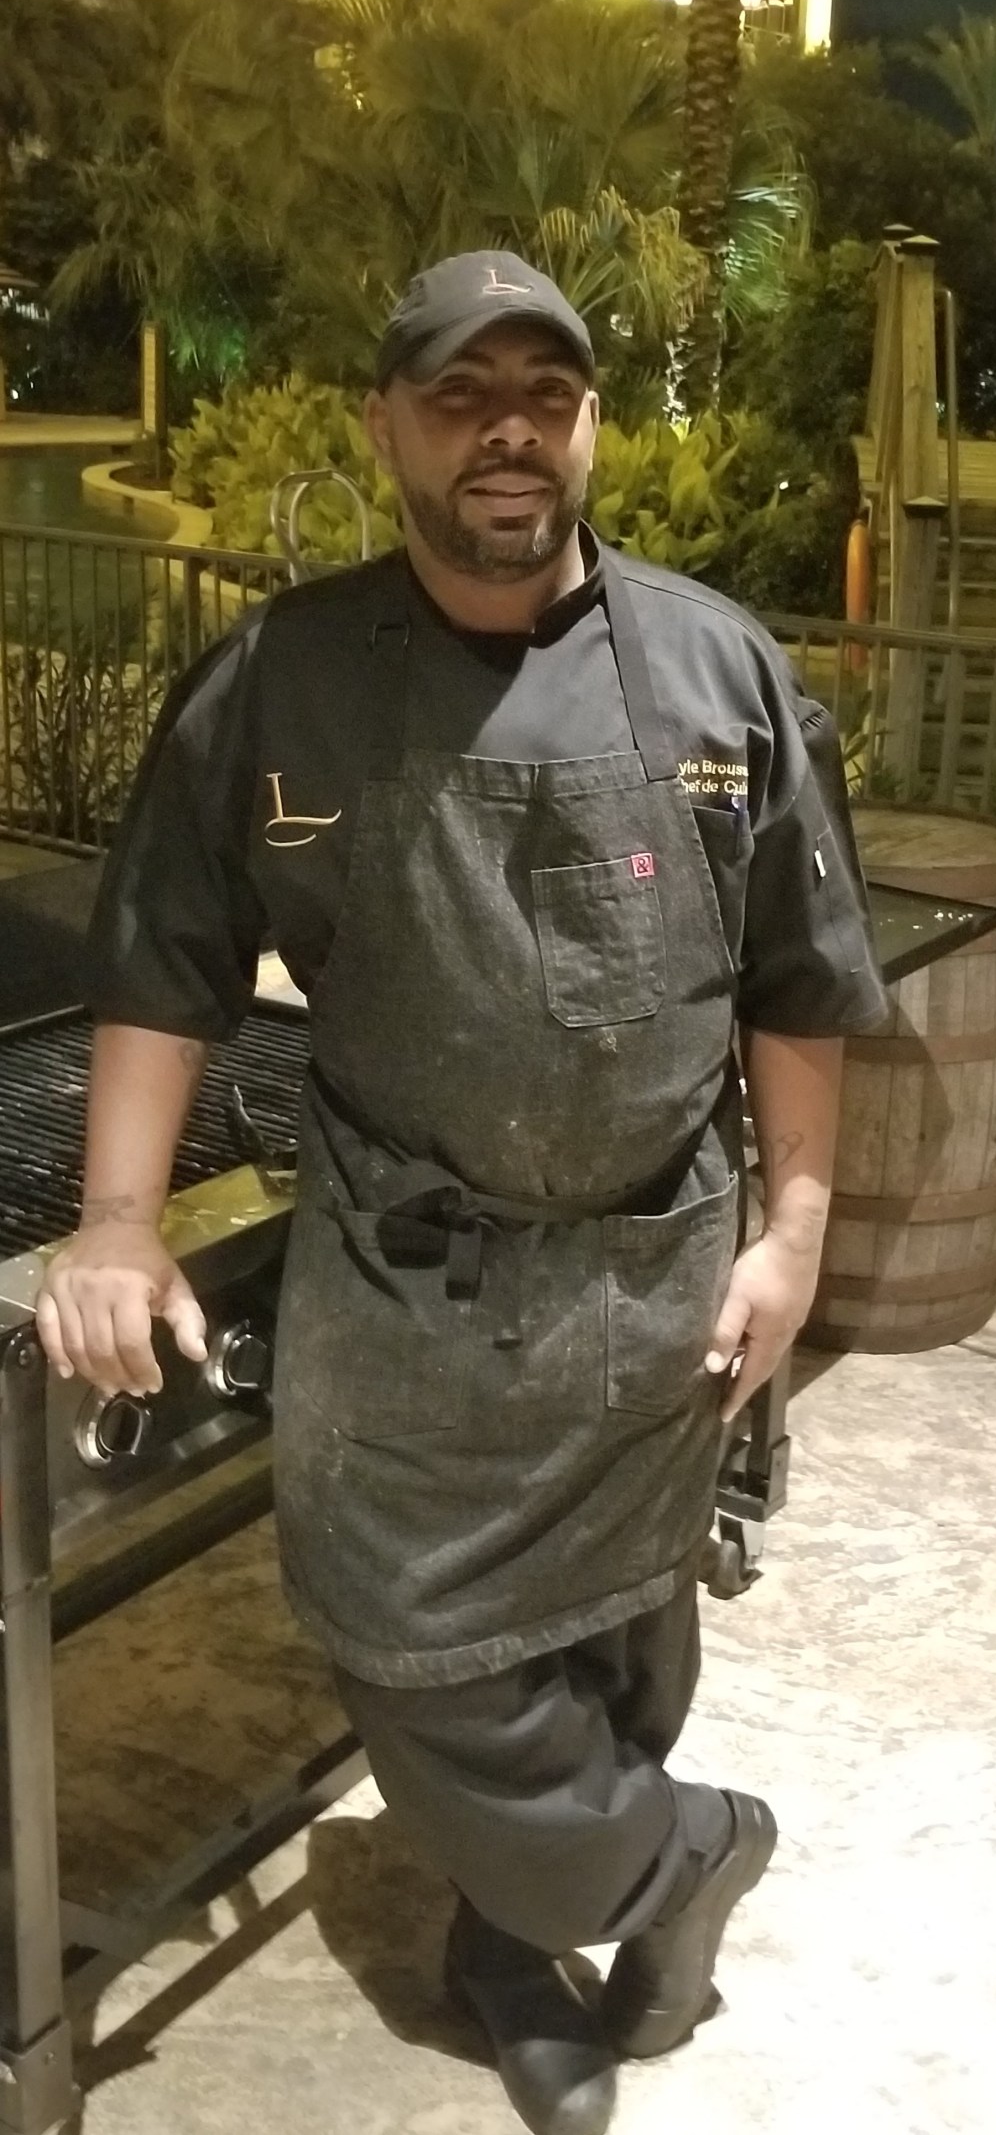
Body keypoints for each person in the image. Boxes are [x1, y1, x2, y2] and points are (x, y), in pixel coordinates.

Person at [36, 253, 887, 2135]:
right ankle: (680, 1855)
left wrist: (796, 1231)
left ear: (590, 427)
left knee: (622, 1634)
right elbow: (163, 958)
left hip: (656, 1261)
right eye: (461, 393)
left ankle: (514, 1953)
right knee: (408, 1646)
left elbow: (800, 980)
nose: (509, 429)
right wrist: (114, 1218)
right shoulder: (283, 675)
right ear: (388, 428)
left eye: (545, 392)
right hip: (404, 1277)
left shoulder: (718, 668)